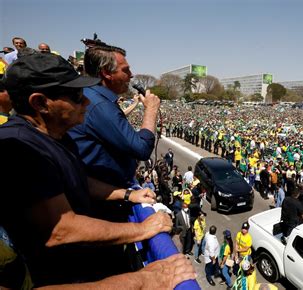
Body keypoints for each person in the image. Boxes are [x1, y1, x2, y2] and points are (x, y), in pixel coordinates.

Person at [0, 53, 194, 287]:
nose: (87, 103)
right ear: (40, 103)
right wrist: (141, 231)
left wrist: (126, 194)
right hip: (52, 274)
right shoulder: (19, 148)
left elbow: (81, 181)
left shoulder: (56, 135)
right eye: (76, 96)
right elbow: (61, 229)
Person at [68, 44, 160, 189]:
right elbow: (142, 149)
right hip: (102, 198)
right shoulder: (100, 105)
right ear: (107, 73)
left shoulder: (94, 96)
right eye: (125, 70)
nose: (131, 75)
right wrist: (151, 110)